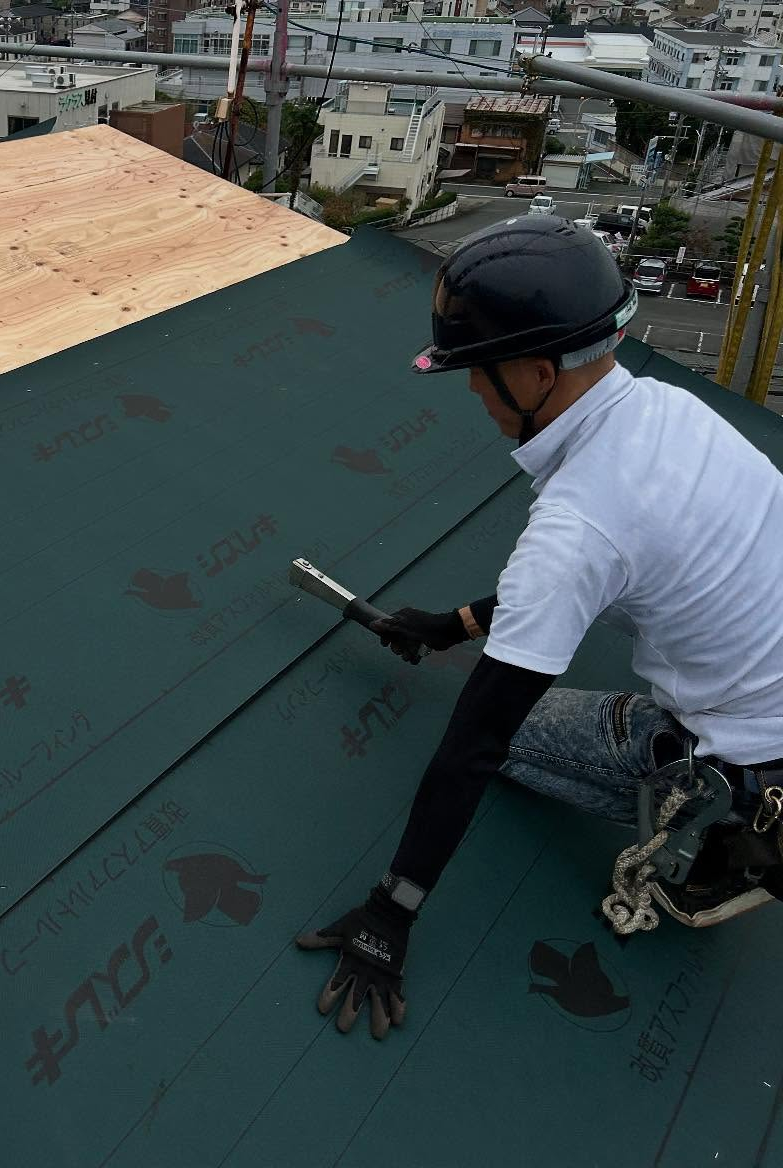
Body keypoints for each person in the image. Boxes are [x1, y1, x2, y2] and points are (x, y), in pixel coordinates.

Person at [296, 216, 783, 1041]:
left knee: (513, 743)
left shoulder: (580, 523)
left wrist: (391, 912)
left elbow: (476, 741)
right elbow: (578, 578)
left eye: (479, 372)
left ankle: (703, 812)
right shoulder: (669, 413)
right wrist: (449, 625)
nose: (472, 391)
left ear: (534, 370)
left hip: (741, 756)